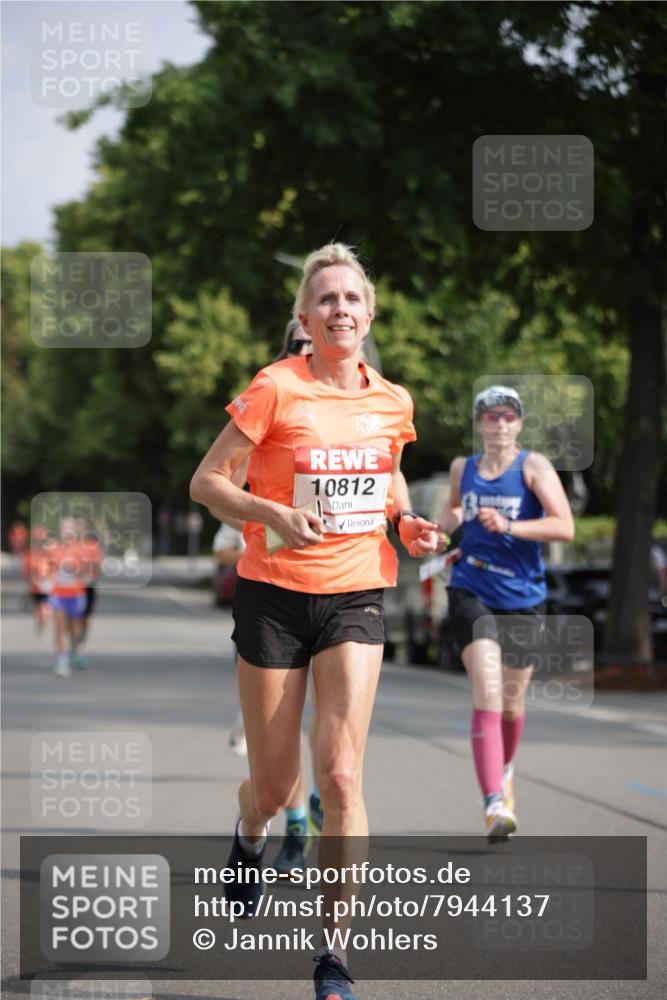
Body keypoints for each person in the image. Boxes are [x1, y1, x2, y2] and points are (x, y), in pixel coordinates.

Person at [191, 242, 438, 1000]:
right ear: (305, 316)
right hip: (272, 595)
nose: (339, 310)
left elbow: (387, 470)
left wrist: (404, 520)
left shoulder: (390, 400)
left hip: (355, 595)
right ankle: (249, 832)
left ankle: (332, 956)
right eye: (325, 299)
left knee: (338, 774)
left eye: (351, 299)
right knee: (274, 787)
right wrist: (268, 512)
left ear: (369, 315)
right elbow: (206, 482)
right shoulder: (274, 388)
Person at [436, 386, 575, 840]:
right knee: (488, 694)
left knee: (512, 704)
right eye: (490, 416)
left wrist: (511, 525)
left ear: (518, 423)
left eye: (507, 417)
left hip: (522, 597)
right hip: (470, 588)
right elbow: (454, 510)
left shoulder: (533, 467)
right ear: (479, 423)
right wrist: (440, 533)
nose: (498, 424)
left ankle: (506, 768)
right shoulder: (464, 468)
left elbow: (564, 526)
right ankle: (494, 802)